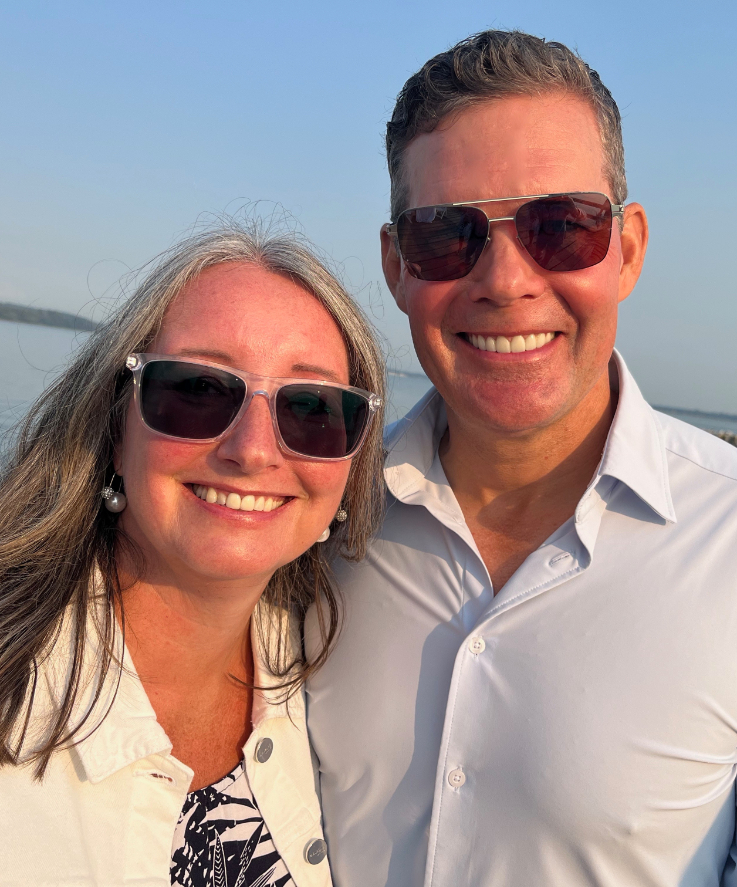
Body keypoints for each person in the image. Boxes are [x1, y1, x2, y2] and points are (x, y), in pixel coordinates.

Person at [306, 29, 737, 887]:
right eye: (445, 234)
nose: (504, 280)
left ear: (627, 247)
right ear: (396, 266)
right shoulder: (312, 522)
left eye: (559, 227)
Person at [0, 220, 385, 887]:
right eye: (199, 389)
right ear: (116, 428)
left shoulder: (324, 681)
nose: (254, 449)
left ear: (351, 469)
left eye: (312, 407)